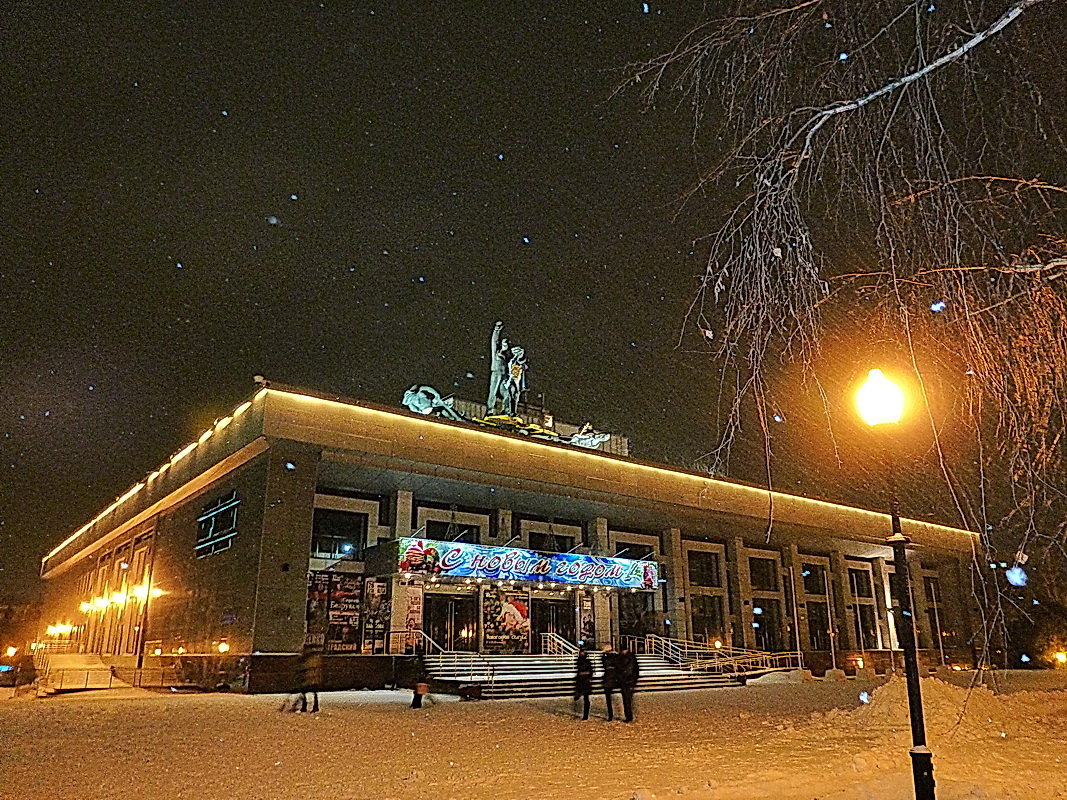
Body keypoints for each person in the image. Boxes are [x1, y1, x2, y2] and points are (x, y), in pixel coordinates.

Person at [618, 644, 640, 723]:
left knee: (627, 699)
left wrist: (633, 680)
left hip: (628, 681)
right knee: (626, 699)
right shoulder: (621, 657)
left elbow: (636, 670)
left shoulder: (630, 657)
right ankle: (628, 715)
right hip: (625, 681)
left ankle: (629, 716)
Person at [601, 644, 620, 721]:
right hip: (612, 677)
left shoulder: (606, 658)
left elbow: (603, 663)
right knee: (608, 698)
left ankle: (610, 715)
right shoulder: (614, 657)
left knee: (608, 698)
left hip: (609, 678)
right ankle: (611, 714)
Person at [574, 649, 594, 720]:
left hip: (583, 681)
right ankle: (585, 715)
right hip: (584, 681)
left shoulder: (579, 661)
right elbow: (591, 671)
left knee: (586, 698)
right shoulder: (585, 661)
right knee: (586, 698)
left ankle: (585, 715)